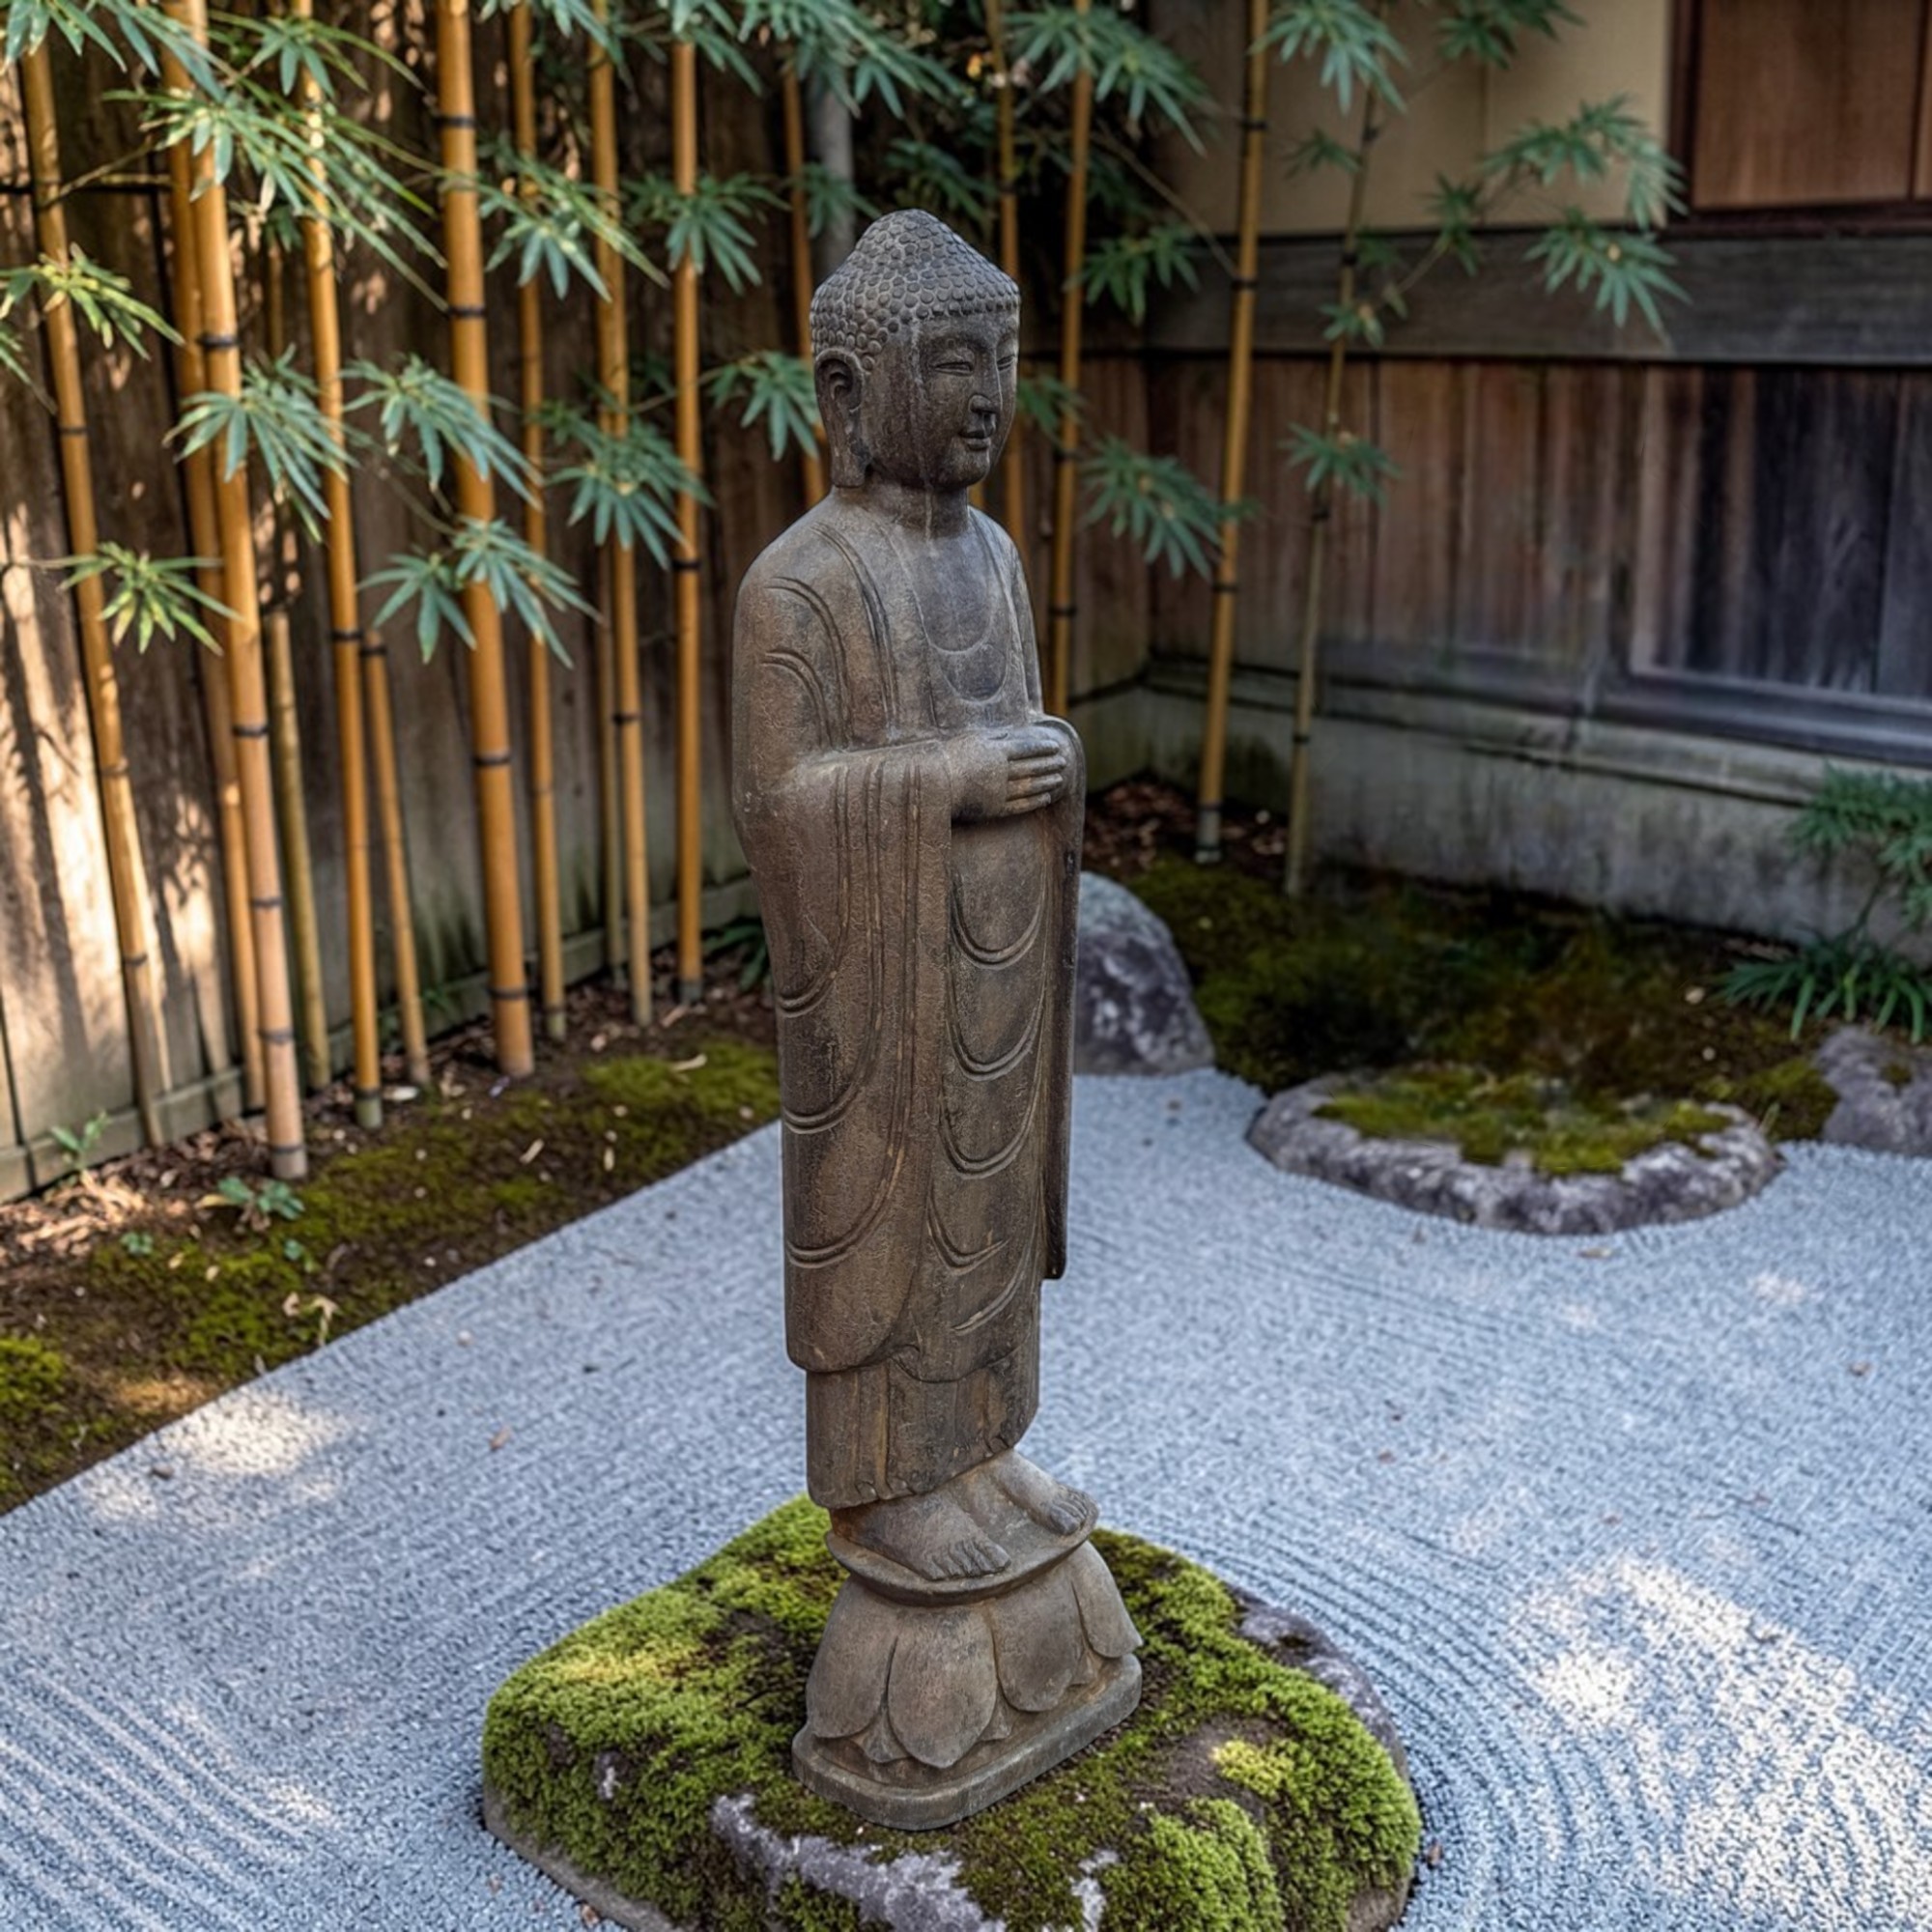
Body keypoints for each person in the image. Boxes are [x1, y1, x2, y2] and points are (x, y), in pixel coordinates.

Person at [732, 211, 1093, 1584]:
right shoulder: (802, 588)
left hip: (995, 963)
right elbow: (775, 802)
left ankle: (982, 1449)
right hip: (885, 986)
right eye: (951, 362)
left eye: (998, 359)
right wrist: (939, 778)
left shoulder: (992, 556)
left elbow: (1025, 723)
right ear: (845, 392)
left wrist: (1056, 754)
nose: (988, 395)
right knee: (903, 1207)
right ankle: (889, 1487)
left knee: (988, 1208)